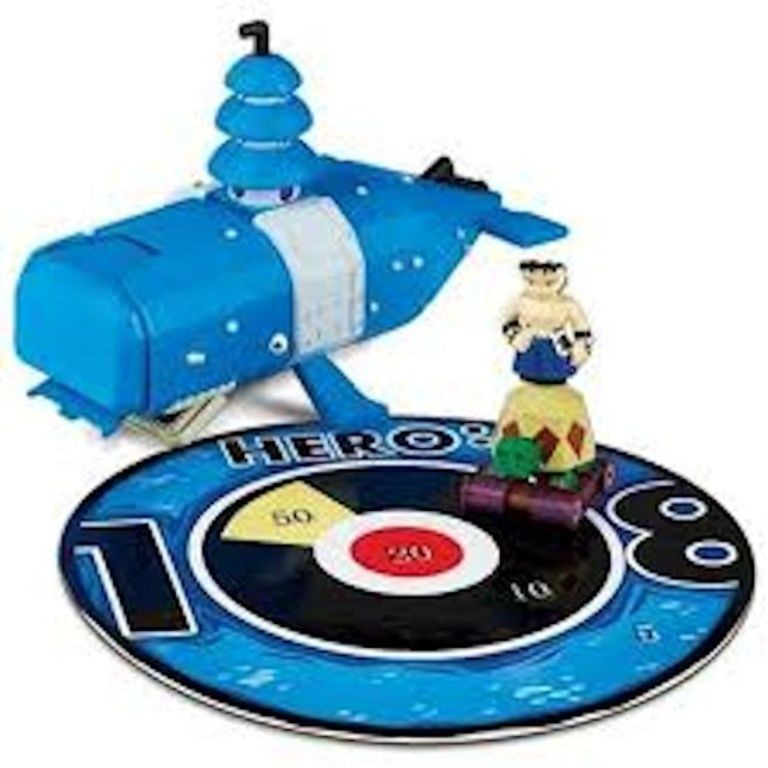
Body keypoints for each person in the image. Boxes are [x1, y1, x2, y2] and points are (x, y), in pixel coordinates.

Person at [502, 260, 593, 384]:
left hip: (557, 346)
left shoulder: (568, 304)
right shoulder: (520, 302)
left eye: (549, 283)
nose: (540, 290)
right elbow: (507, 322)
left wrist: (580, 346)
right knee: (528, 372)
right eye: (531, 282)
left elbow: (582, 327)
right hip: (529, 344)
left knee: (557, 372)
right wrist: (516, 336)